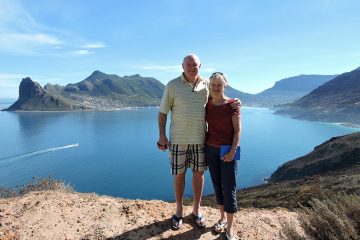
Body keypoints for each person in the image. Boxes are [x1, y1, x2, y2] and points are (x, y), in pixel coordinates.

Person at [157, 54, 208, 230]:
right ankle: (178, 211)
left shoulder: (207, 85)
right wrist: (162, 136)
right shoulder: (172, 85)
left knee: (199, 174)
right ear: (182, 66)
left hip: (200, 139)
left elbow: (220, 100)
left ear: (200, 65)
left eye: (195, 64)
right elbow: (163, 112)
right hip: (178, 140)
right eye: (189, 64)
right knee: (179, 175)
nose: (192, 67)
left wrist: (235, 102)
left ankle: (196, 210)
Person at [205, 72, 241, 240]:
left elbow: (237, 131)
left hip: (228, 149)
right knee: (217, 185)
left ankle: (230, 229)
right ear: (209, 86)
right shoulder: (207, 104)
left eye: (219, 84)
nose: (216, 88)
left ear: (225, 85)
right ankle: (222, 218)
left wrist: (233, 151)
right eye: (213, 85)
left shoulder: (232, 105)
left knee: (229, 188)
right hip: (210, 149)